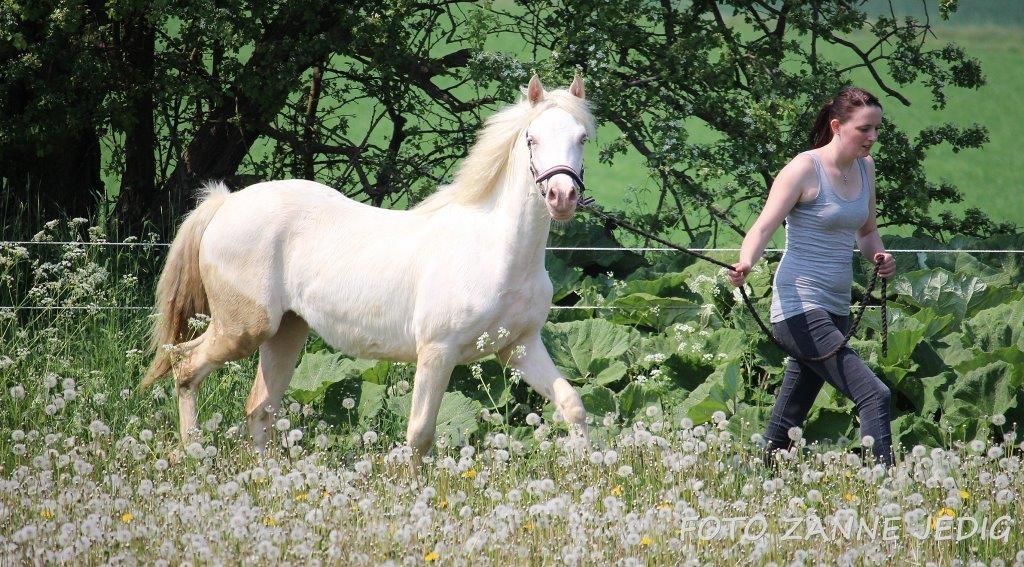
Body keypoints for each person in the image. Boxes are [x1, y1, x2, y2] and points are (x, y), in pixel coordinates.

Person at [726, 86, 897, 467]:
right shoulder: (804, 168)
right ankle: (887, 489)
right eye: (864, 129)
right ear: (837, 126)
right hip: (798, 305)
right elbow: (762, 227)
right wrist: (746, 264)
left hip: (835, 307)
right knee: (874, 394)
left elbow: (867, 233)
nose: (873, 138)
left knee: (789, 417)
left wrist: (880, 257)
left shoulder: (866, 170)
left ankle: (755, 477)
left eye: (876, 129)